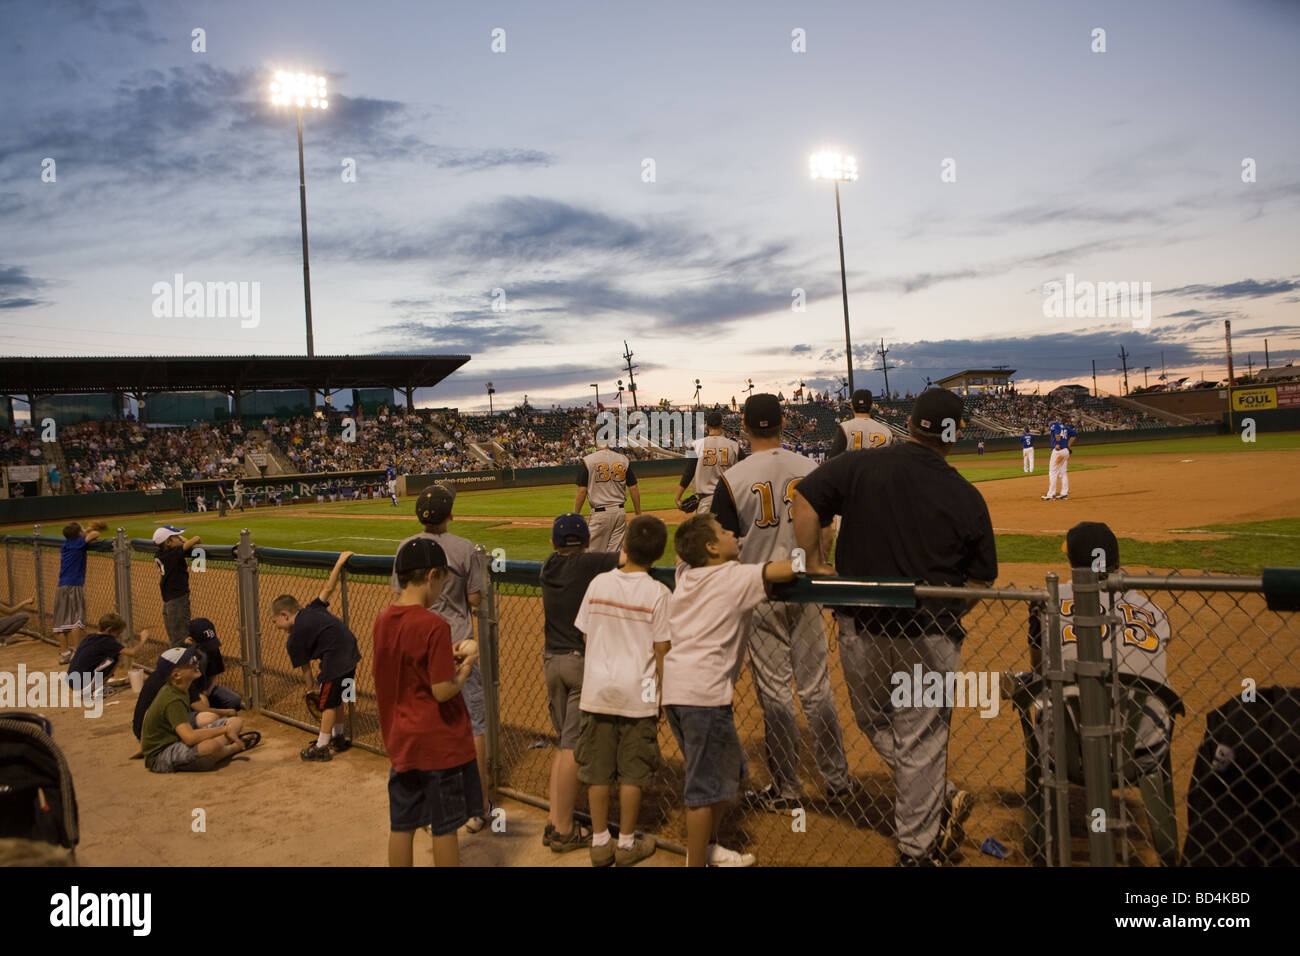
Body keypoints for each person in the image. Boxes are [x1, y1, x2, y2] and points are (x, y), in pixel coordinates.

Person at [791, 387, 997, 866]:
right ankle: (917, 847)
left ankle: (922, 830)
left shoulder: (864, 465)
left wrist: (815, 564)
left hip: (861, 628)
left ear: (910, 422)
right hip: (928, 634)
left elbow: (804, 497)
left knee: (875, 722)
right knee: (920, 740)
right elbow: (982, 576)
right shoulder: (965, 494)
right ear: (956, 432)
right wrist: (953, 612)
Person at [710, 395, 855, 812]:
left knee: (774, 691)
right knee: (816, 687)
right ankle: (837, 777)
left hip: (761, 590)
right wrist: (818, 565)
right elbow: (826, 531)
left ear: (744, 424)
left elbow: (723, 549)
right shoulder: (810, 468)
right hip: (806, 586)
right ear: (783, 421)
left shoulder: (732, 478)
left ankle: (787, 786)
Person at [663, 512, 798, 867]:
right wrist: (809, 558)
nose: (731, 533)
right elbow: (783, 571)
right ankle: (697, 862)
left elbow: (685, 557)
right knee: (703, 789)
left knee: (733, 774)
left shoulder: (685, 575)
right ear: (711, 547)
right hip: (703, 696)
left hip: (677, 691)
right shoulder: (735, 577)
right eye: (723, 532)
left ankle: (708, 848)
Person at [375, 537, 482, 866]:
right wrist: (465, 666)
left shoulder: (383, 620)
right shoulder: (435, 624)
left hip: (402, 741)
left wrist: (445, 657)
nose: (442, 589)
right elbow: (441, 690)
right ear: (433, 575)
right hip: (439, 746)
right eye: (443, 581)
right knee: (445, 827)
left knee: (403, 824)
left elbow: (408, 663)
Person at [572, 515, 671, 867]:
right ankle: (627, 844)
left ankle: (600, 843)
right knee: (632, 772)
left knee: (597, 771)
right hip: (639, 693)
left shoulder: (599, 583)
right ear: (658, 555)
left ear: (624, 546)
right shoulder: (659, 593)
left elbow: (585, 633)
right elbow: (662, 651)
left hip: (598, 687)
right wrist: (660, 696)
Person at [392, 485, 492, 829]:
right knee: (474, 724)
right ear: (451, 515)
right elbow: (476, 600)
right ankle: (478, 809)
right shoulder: (466, 548)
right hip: (458, 644)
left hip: (416, 643)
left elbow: (400, 596)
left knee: (423, 718)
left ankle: (422, 803)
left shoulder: (405, 547)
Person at [538, 513, 619, 853]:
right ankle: (564, 829)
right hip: (580, 662)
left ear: (555, 543)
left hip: (552, 661)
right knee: (572, 747)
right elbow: (632, 557)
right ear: (586, 541)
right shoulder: (592, 564)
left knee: (563, 744)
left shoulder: (547, 567)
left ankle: (557, 820)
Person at [271, 551, 361, 761]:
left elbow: (306, 669)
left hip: (336, 656)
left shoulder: (293, 639)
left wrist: (310, 690)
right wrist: (339, 563)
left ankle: (322, 746)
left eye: (275, 621)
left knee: (327, 702)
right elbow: (328, 588)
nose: (275, 626)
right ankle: (338, 736)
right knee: (338, 695)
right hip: (351, 648)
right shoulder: (312, 607)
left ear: (284, 615)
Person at [139, 645, 260, 773]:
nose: (197, 662)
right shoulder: (172, 698)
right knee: (209, 746)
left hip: (178, 739)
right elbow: (190, 738)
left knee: (236, 722)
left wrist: (221, 730)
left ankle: (219, 750)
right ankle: (233, 748)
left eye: (195, 659)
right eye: (191, 662)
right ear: (177, 675)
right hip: (161, 755)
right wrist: (223, 730)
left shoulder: (180, 688)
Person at [575, 436, 641, 553]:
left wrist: (576, 514)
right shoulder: (623, 459)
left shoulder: (588, 460)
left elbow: (582, 491)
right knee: (614, 556)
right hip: (620, 514)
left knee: (592, 555)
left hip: (600, 515)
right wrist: (638, 513)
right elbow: (634, 488)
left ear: (595, 441)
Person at [55, 520, 107, 664]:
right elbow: (95, 534)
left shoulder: (66, 545)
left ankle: (65, 653)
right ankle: (78, 653)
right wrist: (89, 530)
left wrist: (84, 530)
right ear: (79, 534)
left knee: (61, 621)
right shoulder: (78, 543)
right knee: (76, 620)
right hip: (74, 586)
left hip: (61, 586)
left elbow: (83, 536)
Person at [64, 612, 146, 697]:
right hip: (80, 683)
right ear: (109, 630)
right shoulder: (107, 642)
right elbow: (133, 653)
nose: (118, 635)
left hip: (71, 679)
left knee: (111, 655)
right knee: (115, 657)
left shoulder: (90, 637)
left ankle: (94, 685)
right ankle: (94, 690)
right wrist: (143, 640)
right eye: (118, 633)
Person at [675, 409, 741, 514]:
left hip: (705, 502)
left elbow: (689, 473)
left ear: (707, 426)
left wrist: (678, 497)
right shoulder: (734, 445)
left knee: (705, 530)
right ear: (722, 424)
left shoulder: (696, 445)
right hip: (728, 501)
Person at [153, 526, 201, 647]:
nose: (179, 538)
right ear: (168, 542)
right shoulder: (173, 553)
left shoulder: (160, 553)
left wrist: (177, 537)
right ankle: (183, 661)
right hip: (177, 599)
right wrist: (191, 538)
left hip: (168, 598)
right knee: (182, 636)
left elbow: (180, 543)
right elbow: (196, 540)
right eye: (175, 537)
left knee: (174, 633)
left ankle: (177, 656)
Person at [828, 389, 893, 458]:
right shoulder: (886, 431)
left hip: (853, 468)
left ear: (852, 406)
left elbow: (832, 460)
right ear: (871, 406)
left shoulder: (844, 427)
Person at [1043, 415, 1078, 500]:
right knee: (1063, 473)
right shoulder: (1064, 426)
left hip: (1058, 451)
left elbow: (1057, 431)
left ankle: (1050, 494)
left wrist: (1058, 443)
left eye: (1048, 423)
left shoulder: (1054, 424)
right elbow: (1074, 434)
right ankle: (1064, 493)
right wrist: (1068, 446)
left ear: (1050, 421)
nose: (1049, 425)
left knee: (1053, 472)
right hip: (1065, 451)